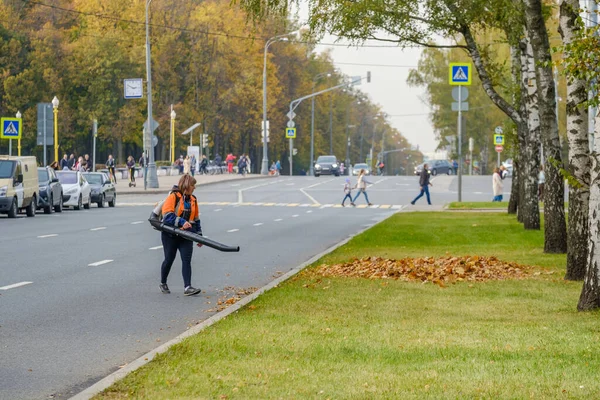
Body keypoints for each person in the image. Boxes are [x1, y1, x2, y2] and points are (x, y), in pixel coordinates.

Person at [159, 174, 203, 296]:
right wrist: (182, 223)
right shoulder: (173, 197)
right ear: (187, 185)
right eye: (193, 185)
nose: (194, 188)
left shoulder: (193, 199)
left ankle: (187, 287)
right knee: (169, 259)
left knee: (186, 260)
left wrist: (199, 236)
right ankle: (163, 282)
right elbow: (167, 216)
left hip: (186, 235)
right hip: (170, 235)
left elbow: (196, 219)